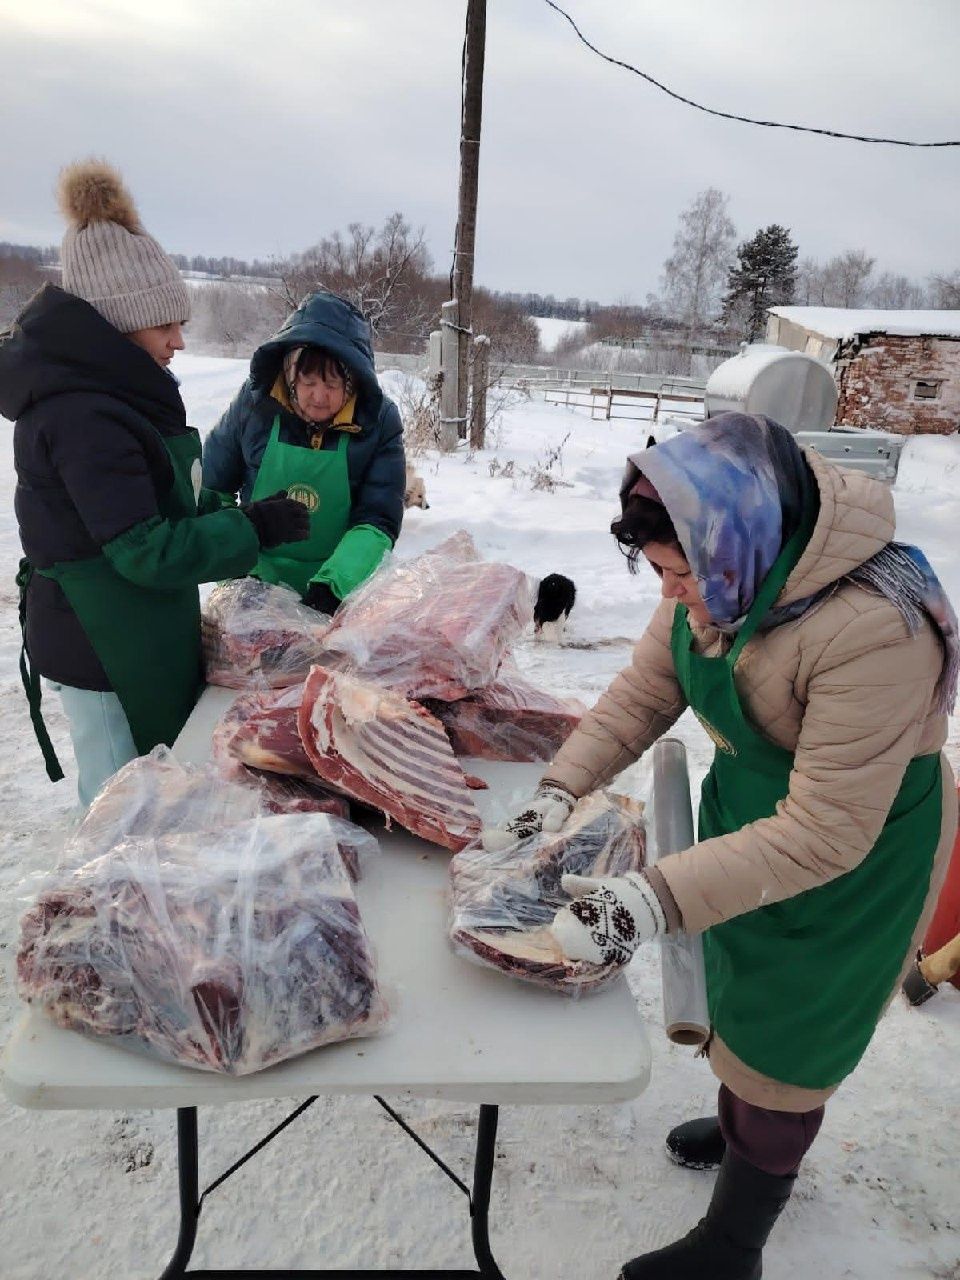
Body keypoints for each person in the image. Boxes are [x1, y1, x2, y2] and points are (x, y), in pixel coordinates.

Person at [482, 413, 958, 1280]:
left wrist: (647, 898)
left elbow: (824, 833)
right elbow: (640, 694)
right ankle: (750, 1127)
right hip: (755, 814)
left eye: (677, 572)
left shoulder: (875, 630)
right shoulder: (731, 571)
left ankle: (734, 1245)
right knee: (737, 987)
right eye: (657, 572)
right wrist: (561, 785)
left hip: (855, 853)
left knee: (791, 1039)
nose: (670, 594)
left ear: (737, 542)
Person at [1, 160, 310, 807]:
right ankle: (103, 904)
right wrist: (248, 531)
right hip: (101, 644)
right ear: (119, 322)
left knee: (153, 791)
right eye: (165, 324)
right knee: (123, 805)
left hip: (131, 628)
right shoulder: (84, 414)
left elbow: (158, 497)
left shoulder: (118, 396)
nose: (178, 341)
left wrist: (245, 513)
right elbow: (144, 550)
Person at [201, 290, 405, 615]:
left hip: (339, 590)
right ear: (291, 375)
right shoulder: (256, 406)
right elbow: (212, 490)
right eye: (308, 382)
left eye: (333, 385)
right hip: (254, 582)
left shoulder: (377, 422)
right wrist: (235, 566)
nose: (319, 397)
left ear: (353, 384)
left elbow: (377, 521)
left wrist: (333, 588)